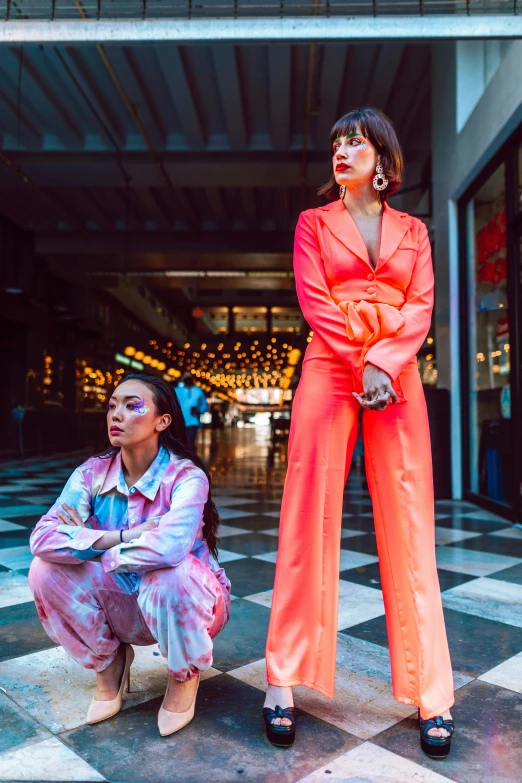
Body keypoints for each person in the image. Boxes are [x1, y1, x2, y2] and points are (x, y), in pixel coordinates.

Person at [263, 108, 455, 759]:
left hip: (396, 374)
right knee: (304, 514)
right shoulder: (313, 224)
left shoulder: (415, 231)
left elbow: (422, 304)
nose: (342, 151)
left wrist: (384, 363)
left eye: (356, 141)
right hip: (329, 366)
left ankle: (433, 691)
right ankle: (282, 680)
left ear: (384, 159)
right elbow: (314, 298)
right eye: (336, 143)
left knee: (410, 520)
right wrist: (358, 359)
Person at [28, 373, 230, 737]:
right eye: (112, 405)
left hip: (188, 602)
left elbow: (170, 549)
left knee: (170, 573)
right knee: (44, 570)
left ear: (162, 421)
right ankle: (110, 664)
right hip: (122, 600)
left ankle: (183, 675)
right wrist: (121, 535)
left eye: (132, 405)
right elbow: (41, 538)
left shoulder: (186, 477)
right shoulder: (91, 472)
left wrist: (89, 544)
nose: (116, 415)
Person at [174, 372, 209, 448]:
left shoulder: (198, 391)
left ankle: (190, 457)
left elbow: (204, 404)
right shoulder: (177, 390)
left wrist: (199, 410)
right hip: (178, 421)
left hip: (193, 421)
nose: (188, 378)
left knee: (190, 442)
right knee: (180, 443)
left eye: (190, 377)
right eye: (186, 377)